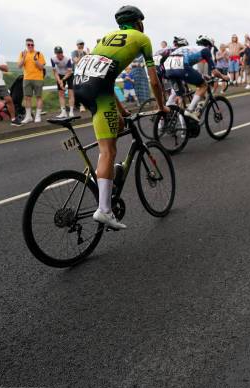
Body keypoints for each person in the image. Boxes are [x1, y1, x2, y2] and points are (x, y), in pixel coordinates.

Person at [73, 5, 169, 230]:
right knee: (108, 150)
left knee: (116, 126)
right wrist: (161, 106)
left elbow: (105, 76)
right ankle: (104, 210)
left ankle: (106, 175)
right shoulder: (142, 38)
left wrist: (122, 110)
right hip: (98, 87)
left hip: (81, 85)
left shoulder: (106, 37)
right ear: (138, 22)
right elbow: (154, 80)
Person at [162, 35, 230, 118]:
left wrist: (203, 76)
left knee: (180, 96)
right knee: (203, 85)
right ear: (208, 45)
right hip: (180, 66)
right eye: (210, 47)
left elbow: (190, 69)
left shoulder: (190, 49)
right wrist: (224, 77)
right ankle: (190, 110)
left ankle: (175, 120)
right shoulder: (205, 50)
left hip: (168, 68)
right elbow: (215, 72)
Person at [18, 38, 46, 123]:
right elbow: (19, 66)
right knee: (27, 98)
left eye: (32, 44)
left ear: (34, 45)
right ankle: (28, 116)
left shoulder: (39, 54)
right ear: (26, 45)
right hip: (27, 78)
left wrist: (36, 61)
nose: (30, 46)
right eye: (28, 45)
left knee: (38, 97)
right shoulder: (23, 53)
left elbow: (42, 67)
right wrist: (23, 58)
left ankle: (37, 116)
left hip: (38, 78)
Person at [51, 46, 75, 118]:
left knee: (71, 92)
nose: (60, 54)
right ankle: (63, 112)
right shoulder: (53, 59)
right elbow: (55, 72)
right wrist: (59, 81)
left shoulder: (67, 59)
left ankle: (71, 111)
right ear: (55, 53)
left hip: (69, 74)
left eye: (61, 52)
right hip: (59, 74)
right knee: (61, 94)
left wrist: (62, 80)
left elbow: (69, 72)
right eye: (58, 53)